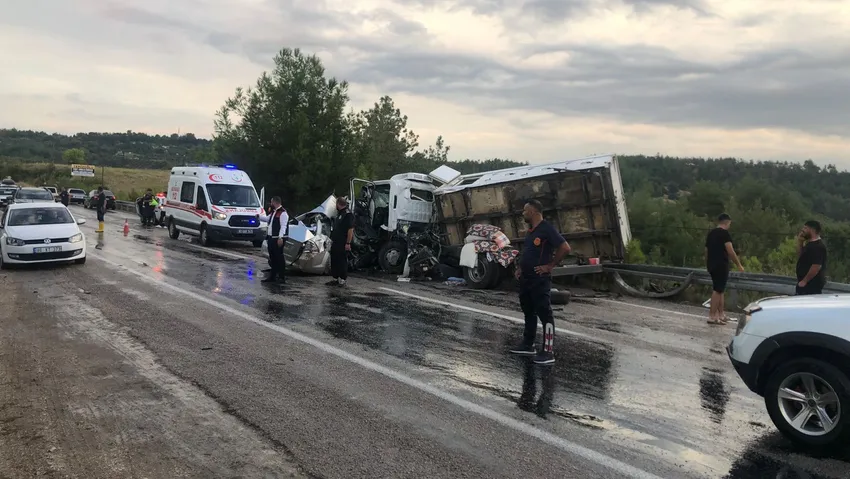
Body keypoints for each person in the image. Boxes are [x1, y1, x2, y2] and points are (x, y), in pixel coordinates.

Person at [509, 200, 571, 365]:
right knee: (528, 311)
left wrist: (550, 266)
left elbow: (565, 247)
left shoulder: (546, 228)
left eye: (525, 211)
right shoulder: (531, 232)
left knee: (544, 312)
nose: (522, 214)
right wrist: (521, 268)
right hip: (526, 278)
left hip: (539, 279)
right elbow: (529, 253)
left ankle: (548, 351)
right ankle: (528, 345)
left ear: (533, 212)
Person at [705, 213, 744, 325]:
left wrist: (707, 263)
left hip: (712, 264)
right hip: (721, 264)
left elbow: (706, 250)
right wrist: (739, 264)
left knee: (720, 289)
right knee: (717, 290)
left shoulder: (711, 233)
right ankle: (712, 316)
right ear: (727, 222)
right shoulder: (725, 234)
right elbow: (730, 251)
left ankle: (721, 314)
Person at [258, 196, 288, 283]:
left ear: (275, 202)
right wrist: (258, 217)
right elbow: (268, 219)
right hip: (271, 238)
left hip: (277, 239)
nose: (271, 204)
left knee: (279, 257)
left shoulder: (283, 213)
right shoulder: (274, 212)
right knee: (272, 258)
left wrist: (280, 237)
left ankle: (281, 277)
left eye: (272, 202)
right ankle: (273, 276)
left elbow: (283, 226)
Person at [327, 196, 355, 287]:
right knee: (334, 259)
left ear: (338, 204)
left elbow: (350, 230)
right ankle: (335, 278)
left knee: (342, 260)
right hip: (336, 241)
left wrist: (348, 243)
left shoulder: (348, 214)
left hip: (343, 242)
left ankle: (342, 279)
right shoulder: (339, 213)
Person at [796, 220, 827, 295]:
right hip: (804, 284)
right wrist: (800, 242)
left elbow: (816, 266)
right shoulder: (809, 245)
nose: (803, 230)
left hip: (811, 285)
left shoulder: (818, 246)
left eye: (805, 228)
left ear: (812, 230)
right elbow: (800, 256)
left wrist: (804, 281)